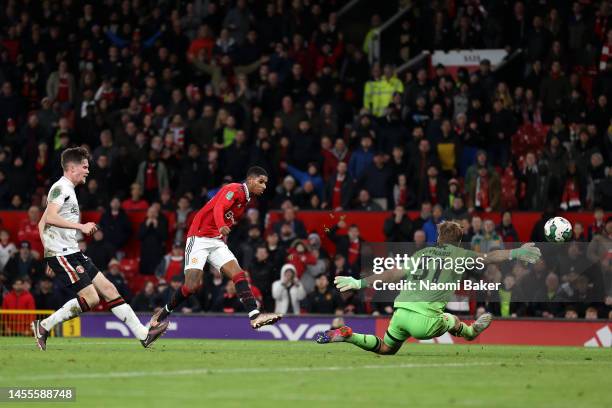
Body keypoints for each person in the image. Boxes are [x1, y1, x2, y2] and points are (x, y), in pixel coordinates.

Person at [315, 221, 541, 354]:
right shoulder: (460, 255)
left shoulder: (421, 253)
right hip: (425, 321)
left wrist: (359, 283)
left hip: (401, 313)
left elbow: (392, 273)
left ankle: (349, 335)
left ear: (439, 238)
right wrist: (515, 252)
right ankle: (471, 332)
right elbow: (491, 257)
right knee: (451, 319)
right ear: (459, 242)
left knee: (387, 348)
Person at [31, 147, 168, 351]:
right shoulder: (60, 188)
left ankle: (143, 334)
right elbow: (49, 217)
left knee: (109, 289)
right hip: (63, 254)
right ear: (72, 168)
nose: (87, 171)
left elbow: (42, 223)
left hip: (70, 252)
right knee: (92, 298)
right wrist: (80, 227)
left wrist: (47, 252)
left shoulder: (68, 190)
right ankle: (44, 325)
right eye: (84, 167)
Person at [149, 166, 282, 329]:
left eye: (266, 183)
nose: (264, 186)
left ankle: (254, 316)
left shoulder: (245, 200)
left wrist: (221, 232)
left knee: (239, 274)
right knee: (191, 286)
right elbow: (219, 208)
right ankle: (160, 315)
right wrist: (220, 226)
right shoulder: (234, 189)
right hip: (199, 238)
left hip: (216, 241)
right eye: (261, 182)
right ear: (250, 180)